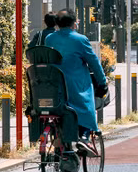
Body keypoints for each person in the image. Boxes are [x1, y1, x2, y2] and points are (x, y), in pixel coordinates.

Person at [42, 10, 108, 152]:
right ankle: (84, 137)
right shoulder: (80, 40)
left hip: (53, 87)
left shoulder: (50, 39)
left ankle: (59, 137)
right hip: (74, 86)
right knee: (86, 104)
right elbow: (94, 63)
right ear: (74, 23)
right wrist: (102, 82)